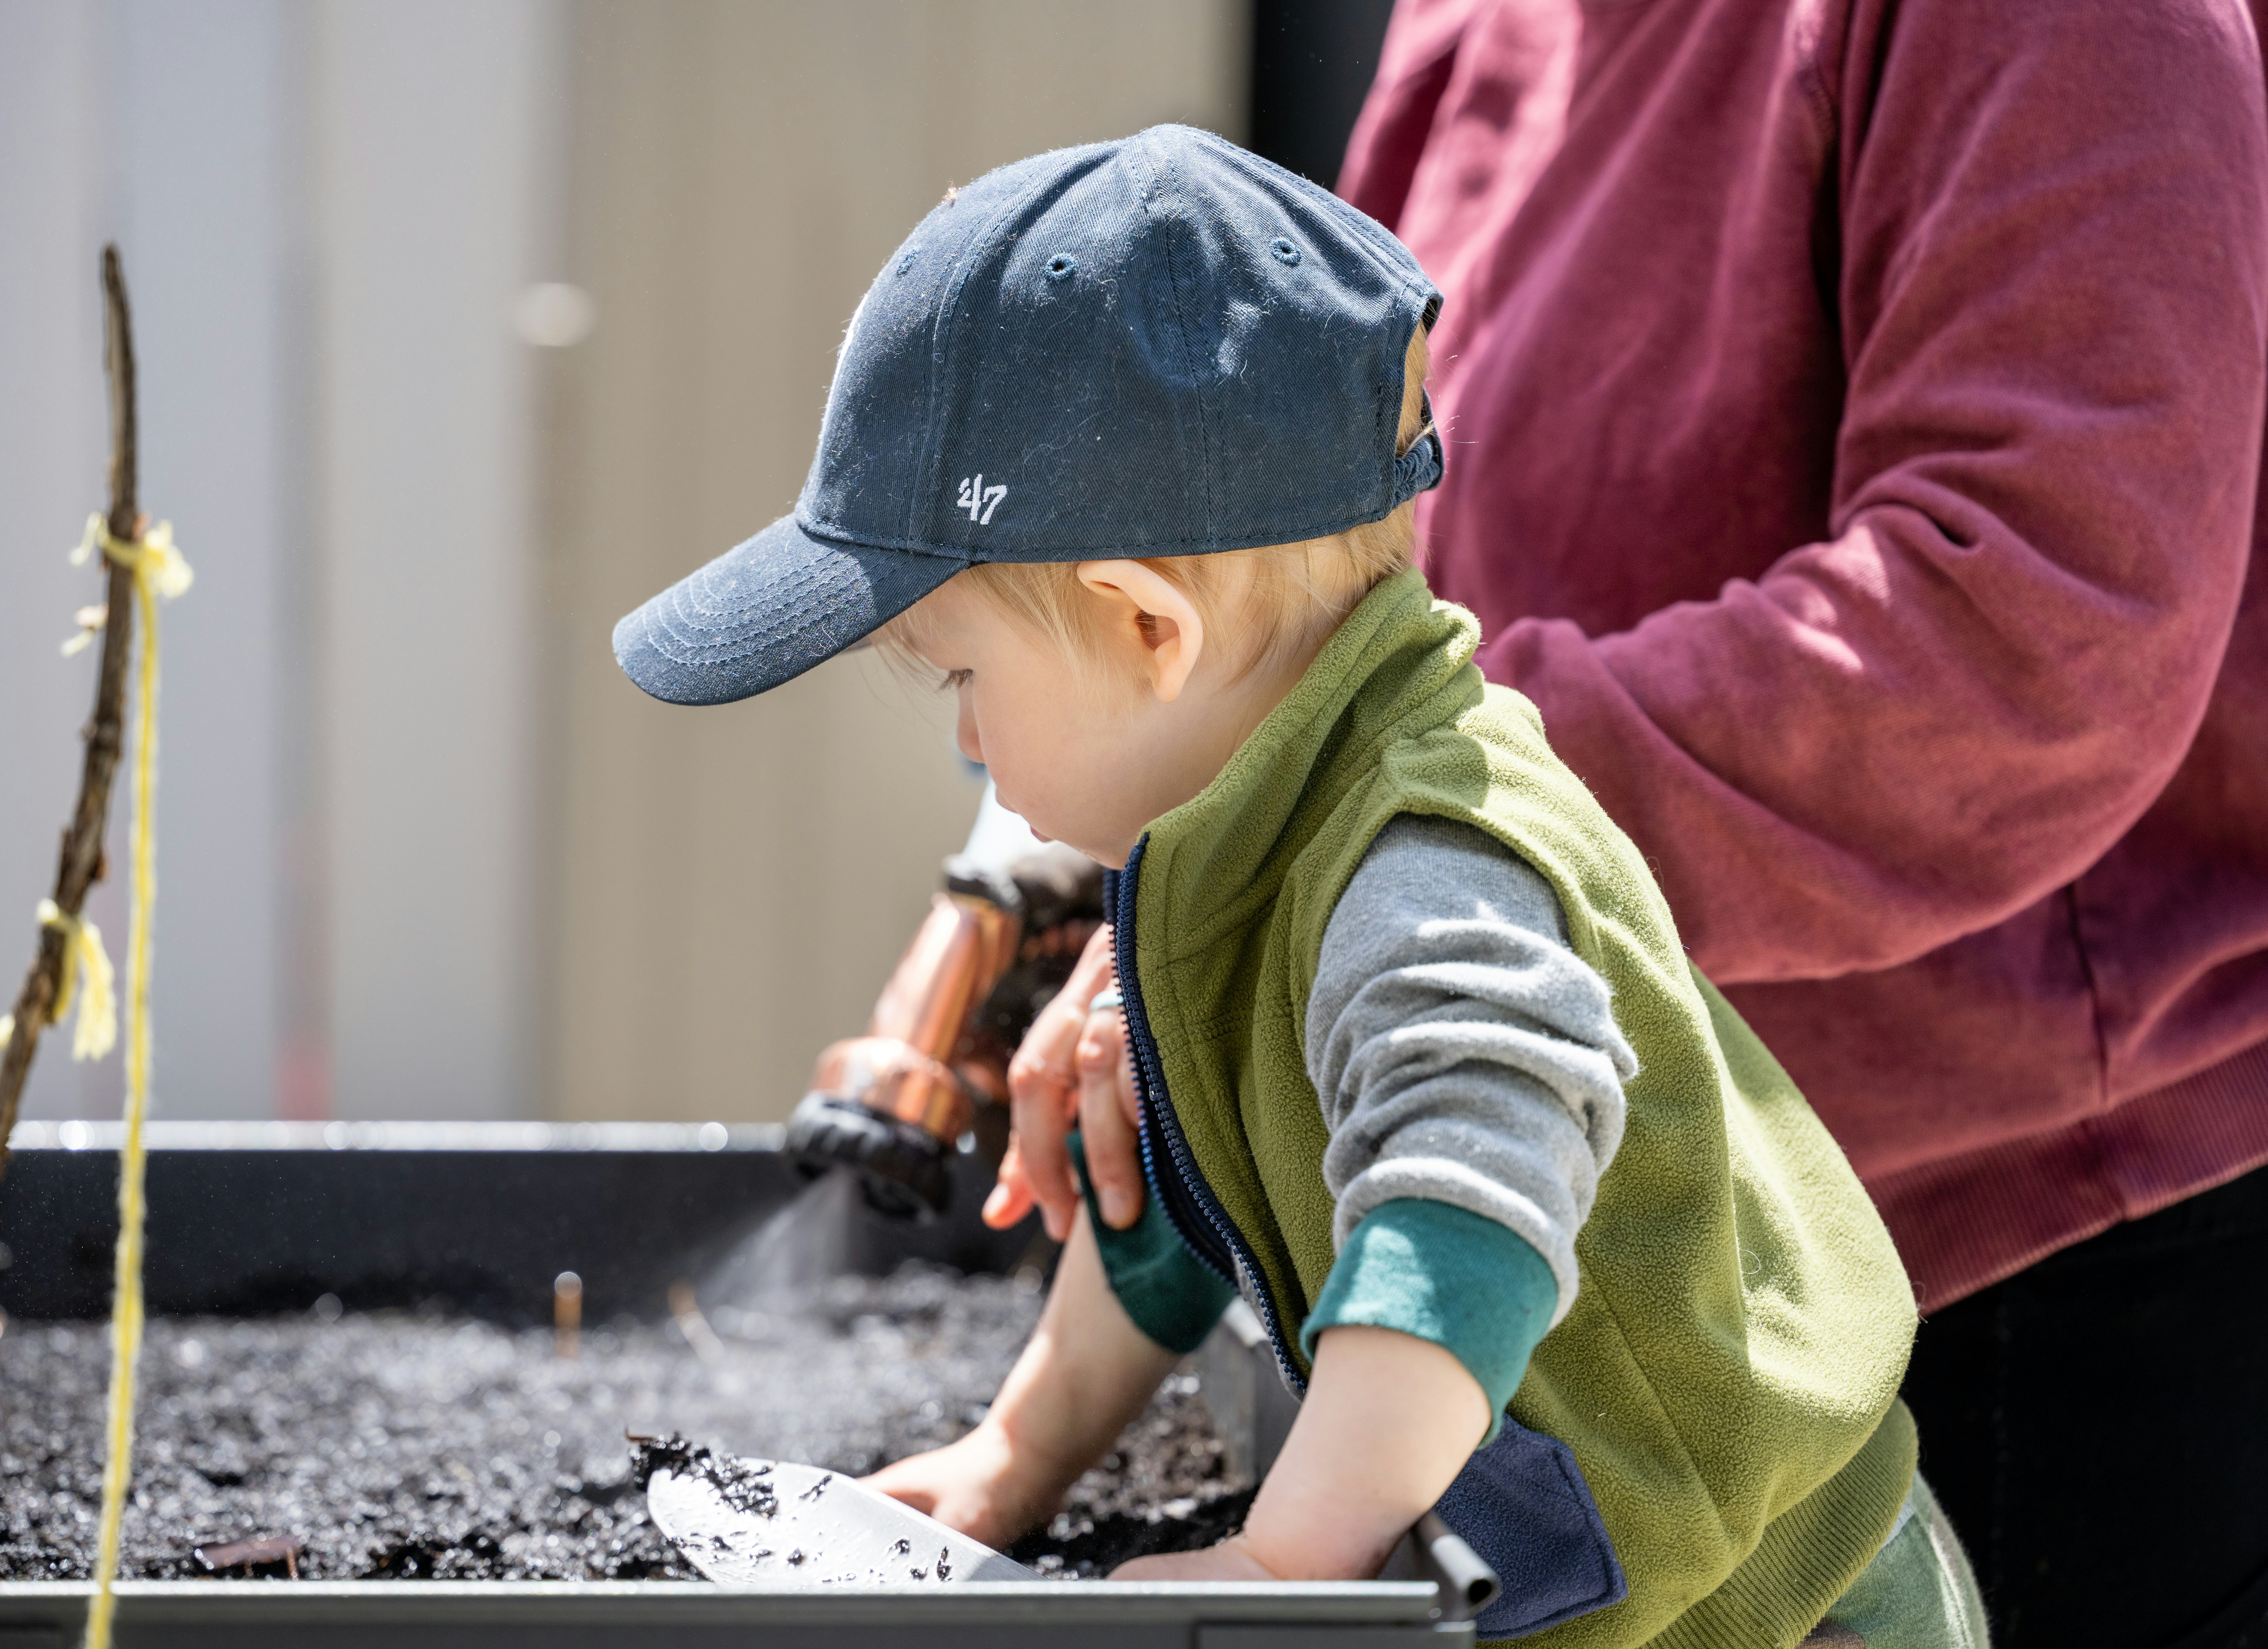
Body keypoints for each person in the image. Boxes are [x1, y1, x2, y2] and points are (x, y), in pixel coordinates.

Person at [995, 7, 2268, 1643]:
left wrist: (1334, 842)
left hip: (2016, 1293)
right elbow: (1335, 559)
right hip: (1590, 1267)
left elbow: (2018, 633)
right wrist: (1051, 850)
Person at [613, 125, 1981, 1646]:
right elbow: (1188, 1209)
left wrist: (1288, 1567)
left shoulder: (1421, 858)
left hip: (1768, 1608)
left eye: (963, 678)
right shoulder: (1239, 827)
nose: (970, 741)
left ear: (1147, 630)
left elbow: (1466, 1211)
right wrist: (1021, 1455)